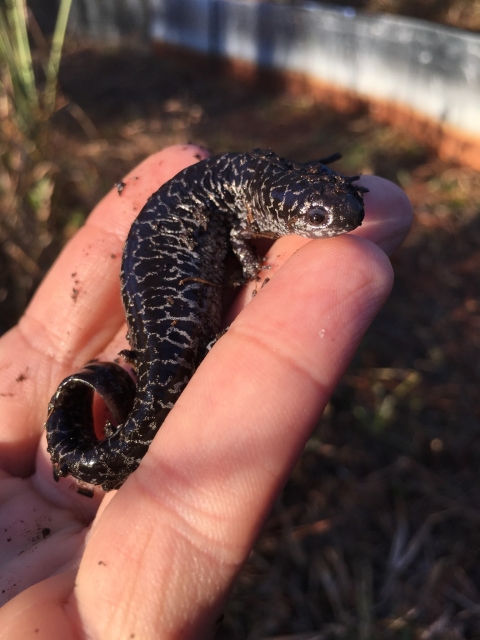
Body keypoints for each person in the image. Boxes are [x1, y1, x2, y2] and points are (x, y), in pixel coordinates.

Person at [0, 144, 412, 638]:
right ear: (274, 211)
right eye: (320, 216)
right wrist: (247, 265)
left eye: (340, 203)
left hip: (161, 287)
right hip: (169, 291)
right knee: (178, 363)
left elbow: (253, 217)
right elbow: (240, 231)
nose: (341, 220)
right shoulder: (252, 200)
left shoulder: (266, 187)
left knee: (172, 367)